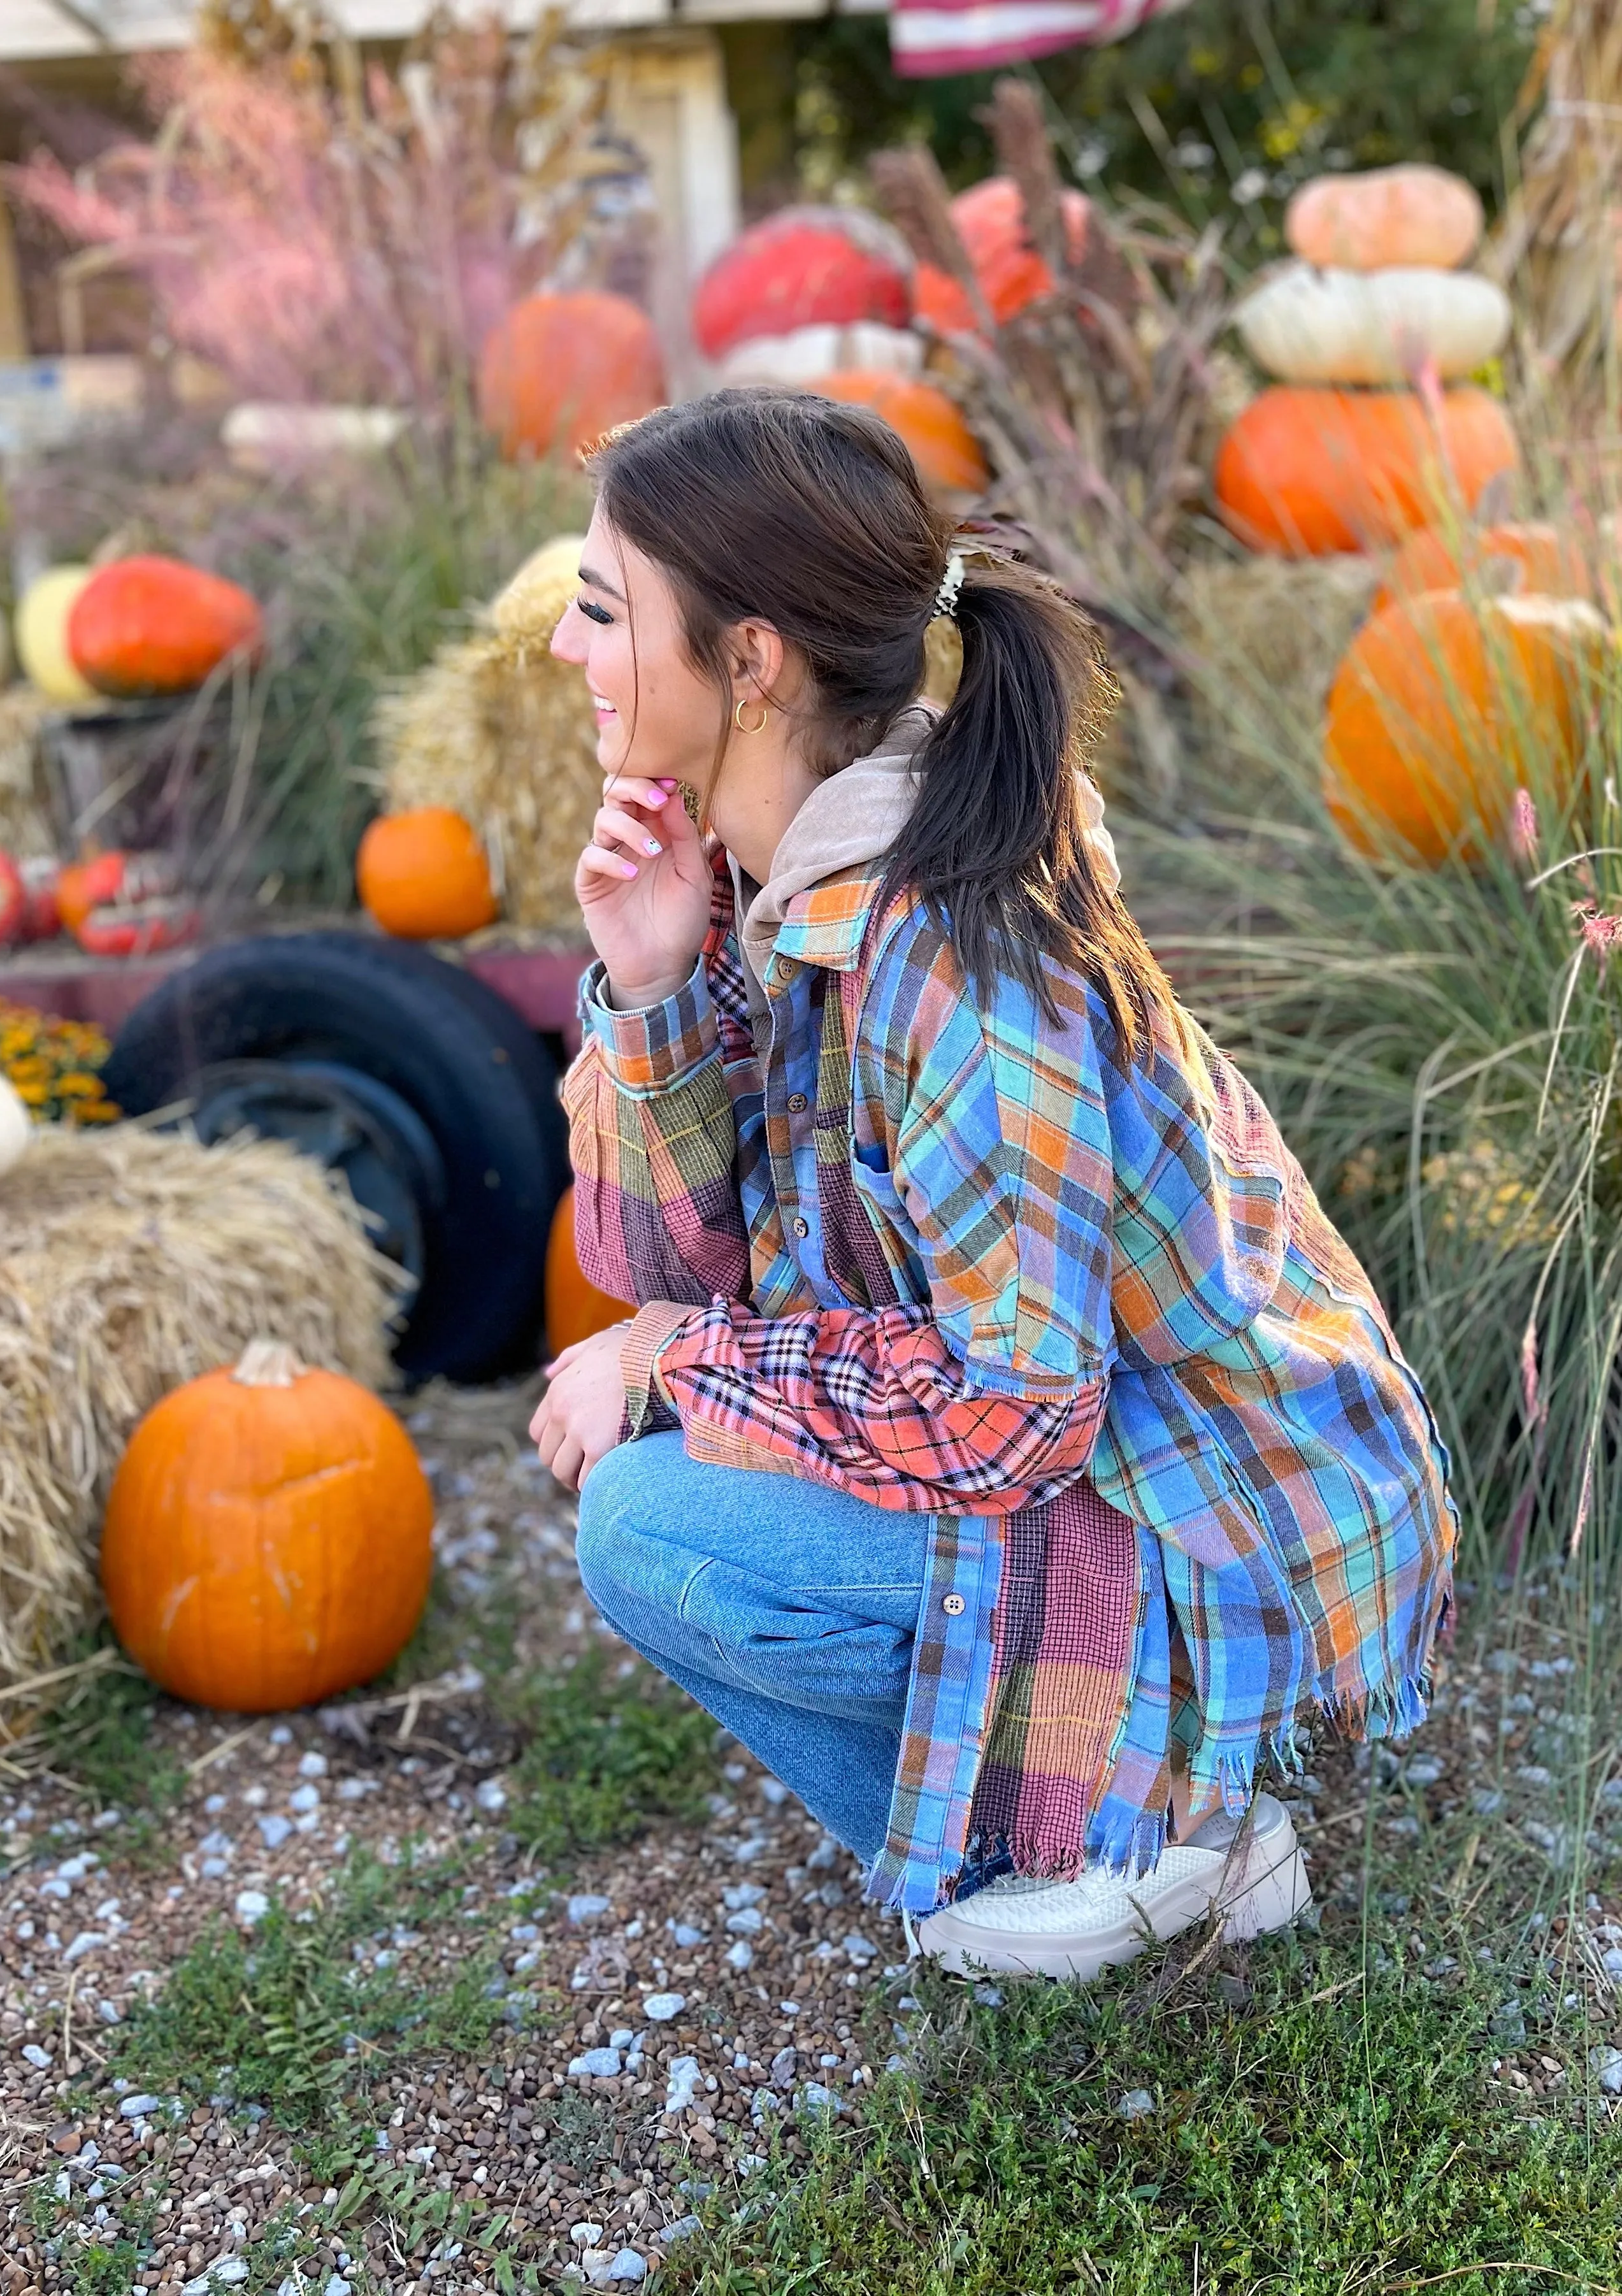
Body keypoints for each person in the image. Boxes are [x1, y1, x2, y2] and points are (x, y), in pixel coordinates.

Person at [530, 389, 1456, 1981]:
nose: (565, 646)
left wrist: (681, 1362)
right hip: (1076, 1460)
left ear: (751, 662)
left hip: (1197, 1509)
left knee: (651, 1519)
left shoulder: (949, 953)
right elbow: (657, 1261)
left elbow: (1022, 1404)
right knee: (663, 1470)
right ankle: (1064, 1818)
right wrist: (654, 988)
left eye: (605, 608)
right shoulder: (776, 873)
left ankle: (1167, 1830)